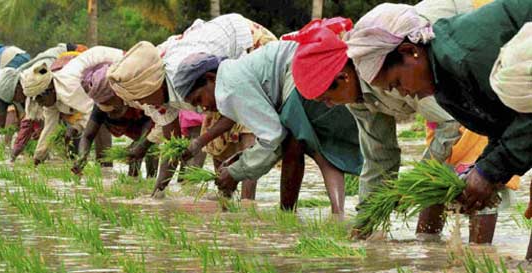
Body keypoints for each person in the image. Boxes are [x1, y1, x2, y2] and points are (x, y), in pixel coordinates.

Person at [283, 1, 516, 242]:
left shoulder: (387, 65)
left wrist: (415, 181)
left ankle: (479, 260)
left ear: (343, 77)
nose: (329, 106)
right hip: (437, 89)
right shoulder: (358, 96)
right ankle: (429, 251)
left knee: (472, 168)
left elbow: (450, 123)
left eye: (326, 99)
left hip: (470, 55)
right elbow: (379, 158)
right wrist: (365, 223)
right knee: (436, 177)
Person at [345, 0, 531, 237]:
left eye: (397, 83)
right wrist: (484, 170)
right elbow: (502, 127)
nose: (403, 93)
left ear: (410, 52)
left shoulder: (465, 59)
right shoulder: (443, 85)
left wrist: (488, 173)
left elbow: (527, 118)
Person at [174, 40, 362, 214]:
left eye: (199, 99)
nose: (203, 108)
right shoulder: (230, 77)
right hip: (304, 66)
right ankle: (338, 215)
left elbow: (273, 136)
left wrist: (236, 172)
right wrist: (239, 161)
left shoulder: (229, 88)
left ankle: (288, 213)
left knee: (295, 144)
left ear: (210, 78)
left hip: (298, 74)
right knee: (322, 152)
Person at [107, 14, 276, 198]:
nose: (142, 104)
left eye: (141, 98)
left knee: (247, 126)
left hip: (248, 44)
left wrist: (198, 142)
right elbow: (172, 144)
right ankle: (226, 196)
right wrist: (157, 194)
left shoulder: (185, 70)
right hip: (217, 79)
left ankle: (247, 203)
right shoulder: (154, 95)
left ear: (154, 85)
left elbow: (235, 110)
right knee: (215, 142)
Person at [19, 47, 113, 165]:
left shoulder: (69, 88)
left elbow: (93, 112)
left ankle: (106, 167)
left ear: (48, 90)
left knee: (100, 124)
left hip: (112, 71)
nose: (39, 103)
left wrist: (76, 128)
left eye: (39, 98)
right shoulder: (51, 99)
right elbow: (49, 129)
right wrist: (38, 158)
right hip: (98, 86)